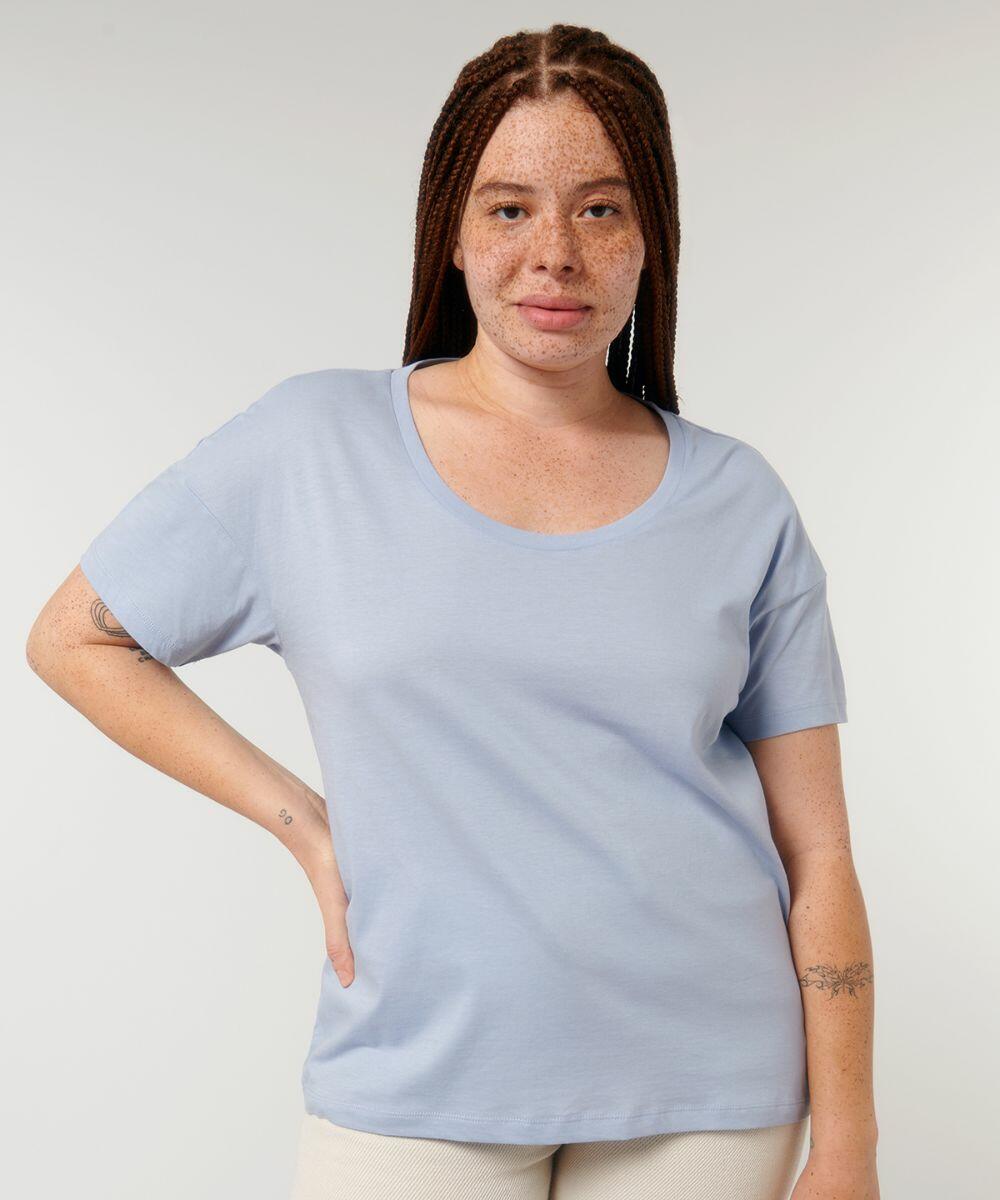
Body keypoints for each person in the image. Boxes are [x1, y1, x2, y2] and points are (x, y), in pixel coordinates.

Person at [26, 22, 880, 1200]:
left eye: (599, 209)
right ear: (453, 234)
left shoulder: (739, 499)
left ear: (651, 237)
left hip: (707, 1086)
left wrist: (849, 1146)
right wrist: (303, 823)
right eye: (508, 208)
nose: (555, 256)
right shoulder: (309, 446)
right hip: (413, 1071)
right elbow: (75, 639)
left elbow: (818, 853)